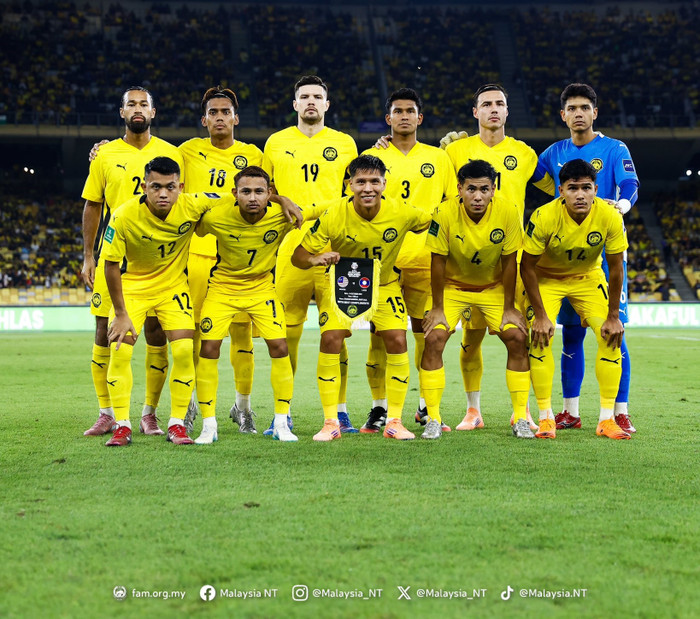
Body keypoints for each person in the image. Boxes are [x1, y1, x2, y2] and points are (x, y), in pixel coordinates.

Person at [290, 155, 431, 441]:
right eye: (361, 182)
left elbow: (434, 219)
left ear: (384, 184)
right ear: (349, 185)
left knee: (397, 339)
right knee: (331, 338)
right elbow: (298, 256)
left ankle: (394, 421)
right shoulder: (334, 214)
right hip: (343, 284)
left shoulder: (403, 212)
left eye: (374, 181)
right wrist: (316, 258)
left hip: (385, 285)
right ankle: (331, 422)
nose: (368, 188)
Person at [533, 83, 640, 434]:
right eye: (572, 108)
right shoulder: (553, 153)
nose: (578, 113)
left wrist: (620, 206)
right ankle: (570, 411)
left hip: (604, 251)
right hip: (564, 254)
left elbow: (630, 184)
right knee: (571, 335)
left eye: (584, 107)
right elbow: (524, 174)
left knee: (614, 331)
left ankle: (619, 412)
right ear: (563, 115)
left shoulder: (614, 148)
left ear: (595, 112)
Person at [81, 87, 184, 438]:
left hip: (157, 262)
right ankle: (107, 412)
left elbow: (185, 202)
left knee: (155, 333)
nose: (137, 109)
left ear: (153, 112)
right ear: (122, 112)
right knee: (104, 332)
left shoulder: (172, 153)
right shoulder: (105, 154)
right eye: (131, 104)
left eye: (143, 104)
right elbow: (93, 204)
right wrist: (88, 255)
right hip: (114, 259)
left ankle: (149, 413)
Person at [100, 157, 226, 446]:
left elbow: (237, 197)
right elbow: (110, 265)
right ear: (144, 187)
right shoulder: (123, 215)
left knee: (183, 351)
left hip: (173, 288)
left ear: (181, 187)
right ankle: (122, 425)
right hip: (133, 288)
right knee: (120, 351)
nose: (163, 194)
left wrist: (280, 199)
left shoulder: (193, 204)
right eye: (155, 187)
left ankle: (177, 424)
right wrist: (120, 313)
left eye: (170, 187)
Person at [262, 75, 358, 435]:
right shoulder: (276, 142)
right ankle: (282, 414)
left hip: (335, 246)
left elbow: (358, 187)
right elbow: (262, 190)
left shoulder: (345, 143)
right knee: (286, 334)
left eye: (318, 96)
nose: (311, 101)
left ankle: (340, 412)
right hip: (290, 248)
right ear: (295, 104)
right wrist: (280, 198)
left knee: (337, 332)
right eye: (305, 96)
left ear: (327, 104)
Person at [441, 83, 539, 432]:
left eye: (499, 103)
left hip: (511, 260)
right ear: (475, 112)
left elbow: (560, 184)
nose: (493, 109)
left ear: (508, 111)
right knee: (471, 339)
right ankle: (473, 411)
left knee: (520, 337)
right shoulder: (455, 151)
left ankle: (522, 411)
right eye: (486, 104)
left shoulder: (525, 154)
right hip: (467, 261)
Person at [362, 88, 456, 434]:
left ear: (420, 117)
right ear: (388, 118)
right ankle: (379, 408)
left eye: (410, 111)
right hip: (382, 262)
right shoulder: (372, 156)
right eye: (398, 111)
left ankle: (426, 407)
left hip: (425, 258)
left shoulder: (438, 158)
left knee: (425, 335)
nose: (404, 116)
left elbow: (451, 205)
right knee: (379, 335)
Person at [420, 160, 531, 439]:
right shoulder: (443, 212)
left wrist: (509, 307)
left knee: (517, 337)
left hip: (492, 288)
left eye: (484, 189)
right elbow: (437, 261)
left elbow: (510, 262)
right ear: (460, 189)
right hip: (453, 287)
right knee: (434, 337)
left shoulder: (508, 211)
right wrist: (437, 308)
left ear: (493, 189)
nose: (478, 196)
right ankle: (433, 418)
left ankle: (521, 417)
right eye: (471, 189)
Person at [521, 159, 631, 440]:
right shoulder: (544, 216)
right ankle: (546, 417)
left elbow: (616, 267)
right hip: (547, 278)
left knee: (610, 335)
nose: (580, 194)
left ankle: (606, 420)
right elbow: (527, 266)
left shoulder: (610, 216)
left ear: (596, 189)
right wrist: (541, 316)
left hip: (587, 278)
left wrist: (614, 315)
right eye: (572, 188)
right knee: (540, 335)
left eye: (586, 187)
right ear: (561, 191)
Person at [194, 166, 305, 443]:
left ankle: (281, 423)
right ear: (235, 193)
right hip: (223, 288)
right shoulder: (217, 216)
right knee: (208, 348)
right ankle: (209, 425)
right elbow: (192, 218)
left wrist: (285, 201)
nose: (252, 197)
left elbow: (322, 208)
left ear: (269, 193)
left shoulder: (282, 215)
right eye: (245, 191)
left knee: (280, 347)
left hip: (261, 288)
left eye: (259, 191)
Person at [178, 86, 264, 434]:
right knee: (196, 333)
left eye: (225, 112)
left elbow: (267, 194)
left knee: (242, 334)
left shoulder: (253, 154)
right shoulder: (187, 151)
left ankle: (243, 407)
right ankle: (189, 404)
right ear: (204, 120)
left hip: (240, 255)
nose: (219, 117)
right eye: (212, 112)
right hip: (198, 253)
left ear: (235, 118)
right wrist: (103, 146)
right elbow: (150, 162)